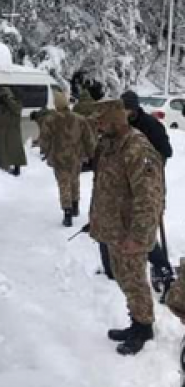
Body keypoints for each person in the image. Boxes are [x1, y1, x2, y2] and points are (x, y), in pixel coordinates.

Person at [88, 100, 164, 355]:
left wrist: (138, 236)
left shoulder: (136, 148)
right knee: (124, 279)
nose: (97, 124)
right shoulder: (110, 144)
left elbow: (149, 197)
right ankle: (137, 321)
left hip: (130, 233)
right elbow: (106, 186)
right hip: (114, 230)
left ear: (114, 120)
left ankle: (143, 328)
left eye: (101, 120)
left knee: (134, 282)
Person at [95, 91, 174, 293]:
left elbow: (166, 151)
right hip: (121, 192)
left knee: (142, 235)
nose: (125, 112)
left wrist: (146, 164)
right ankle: (111, 271)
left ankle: (163, 269)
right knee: (114, 236)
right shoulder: (115, 131)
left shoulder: (150, 125)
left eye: (127, 108)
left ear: (134, 109)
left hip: (146, 185)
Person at [38, 92, 96, 227]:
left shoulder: (50, 120)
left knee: (63, 184)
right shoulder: (79, 119)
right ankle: (75, 205)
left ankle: (67, 213)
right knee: (75, 181)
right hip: (76, 156)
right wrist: (91, 154)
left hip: (58, 157)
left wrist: (45, 152)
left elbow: (44, 139)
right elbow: (88, 139)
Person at [0, 87, 26, 176]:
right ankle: (4, 168)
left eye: (4, 95)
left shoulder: (16, 103)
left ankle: (17, 169)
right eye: (1, 96)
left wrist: (8, 100)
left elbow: (17, 109)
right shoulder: (0, 106)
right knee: (3, 150)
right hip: (2, 130)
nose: (2, 98)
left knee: (15, 149)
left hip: (13, 130)